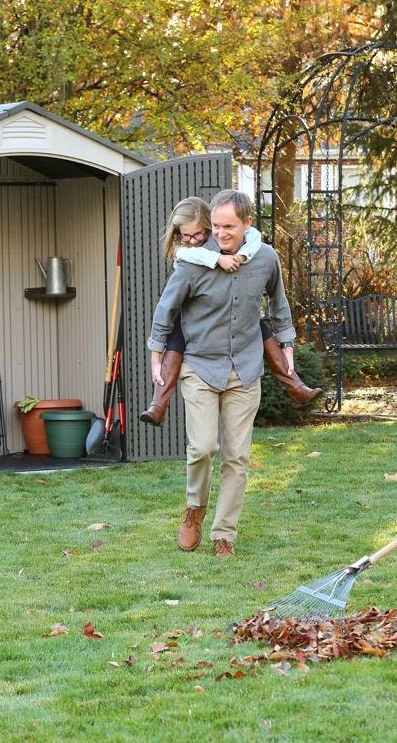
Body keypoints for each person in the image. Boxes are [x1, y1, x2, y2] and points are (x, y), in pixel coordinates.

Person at [147, 189, 298, 556]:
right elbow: (166, 309)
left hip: (245, 370)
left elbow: (278, 304)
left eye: (229, 226)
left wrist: (287, 347)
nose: (221, 233)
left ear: (248, 223)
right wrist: (156, 354)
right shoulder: (194, 262)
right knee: (202, 448)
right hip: (199, 367)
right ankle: (194, 510)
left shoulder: (265, 259)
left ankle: (224, 534)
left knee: (237, 457)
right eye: (216, 226)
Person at [139, 196, 321, 426]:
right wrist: (218, 259)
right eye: (187, 235)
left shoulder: (258, 250)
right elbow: (187, 263)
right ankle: (158, 403)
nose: (193, 240)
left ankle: (294, 385)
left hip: (240, 329)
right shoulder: (189, 254)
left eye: (199, 234)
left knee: (260, 327)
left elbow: (254, 241)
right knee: (176, 339)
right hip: (188, 321)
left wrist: (288, 344)